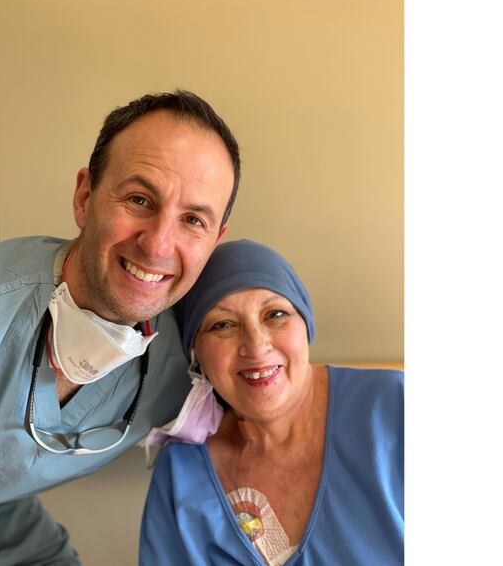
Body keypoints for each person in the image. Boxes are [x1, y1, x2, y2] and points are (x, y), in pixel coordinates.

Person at [0, 90, 241, 565]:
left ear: (215, 239)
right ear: (85, 197)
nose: (158, 244)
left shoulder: (182, 368)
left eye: (192, 220)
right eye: (139, 199)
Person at [139, 240, 404, 565]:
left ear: (305, 323)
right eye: (223, 325)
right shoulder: (182, 473)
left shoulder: (395, 407)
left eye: (275, 314)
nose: (256, 345)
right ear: (196, 355)